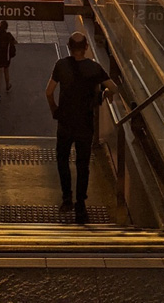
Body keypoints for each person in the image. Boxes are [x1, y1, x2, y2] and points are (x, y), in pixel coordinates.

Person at [46, 31, 117, 224]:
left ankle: (67, 198)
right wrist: (105, 93)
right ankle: (81, 206)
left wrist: (55, 110)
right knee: (82, 165)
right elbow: (113, 86)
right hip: (85, 124)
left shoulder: (61, 65)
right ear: (86, 47)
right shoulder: (94, 68)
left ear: (69, 47)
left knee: (62, 159)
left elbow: (49, 91)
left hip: (65, 123)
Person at [0, 20, 16, 100]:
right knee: (6, 71)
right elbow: (15, 42)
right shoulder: (8, 35)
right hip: (7, 57)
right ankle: (7, 86)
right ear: (6, 27)